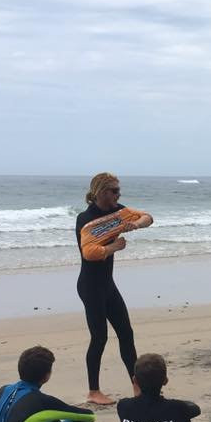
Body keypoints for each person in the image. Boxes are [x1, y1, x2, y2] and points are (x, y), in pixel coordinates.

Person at [75, 172, 154, 405]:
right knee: (99, 338)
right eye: (114, 191)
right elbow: (89, 253)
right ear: (100, 192)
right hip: (90, 285)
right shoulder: (85, 218)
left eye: (119, 191)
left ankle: (137, 385)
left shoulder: (117, 211)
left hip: (107, 284)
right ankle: (93, 391)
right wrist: (115, 247)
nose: (118, 195)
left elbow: (148, 217)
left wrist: (135, 225)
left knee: (126, 333)